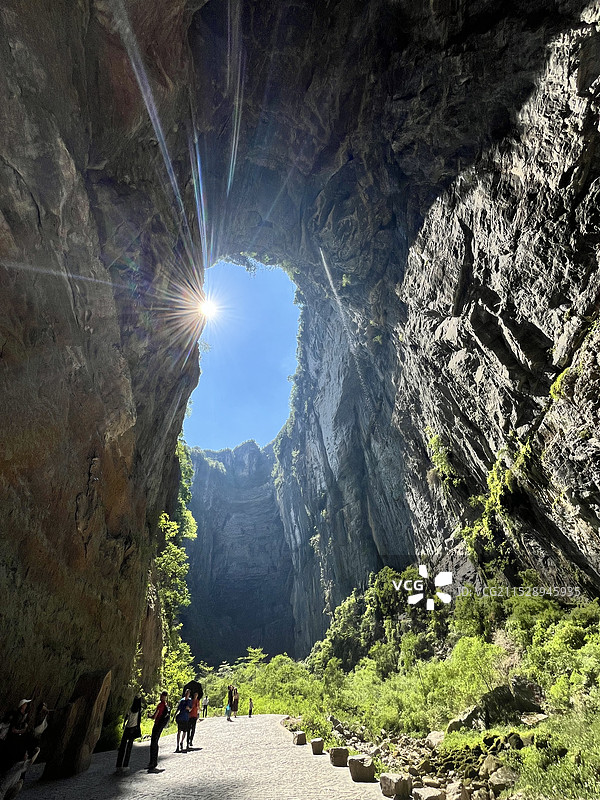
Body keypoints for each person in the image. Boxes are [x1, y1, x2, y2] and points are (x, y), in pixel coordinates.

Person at [115, 695, 142, 774]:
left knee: (122, 747)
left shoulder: (130, 708)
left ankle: (118, 766)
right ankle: (125, 765)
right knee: (129, 748)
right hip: (133, 729)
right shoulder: (139, 710)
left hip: (127, 728)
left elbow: (126, 718)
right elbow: (138, 722)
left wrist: (124, 725)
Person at [147, 691, 169, 772]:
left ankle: (152, 763)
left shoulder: (161, 705)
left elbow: (155, 716)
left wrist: (150, 716)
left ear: (162, 696)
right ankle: (153, 762)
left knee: (153, 743)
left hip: (157, 725)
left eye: (161, 696)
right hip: (161, 726)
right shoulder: (166, 704)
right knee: (155, 742)